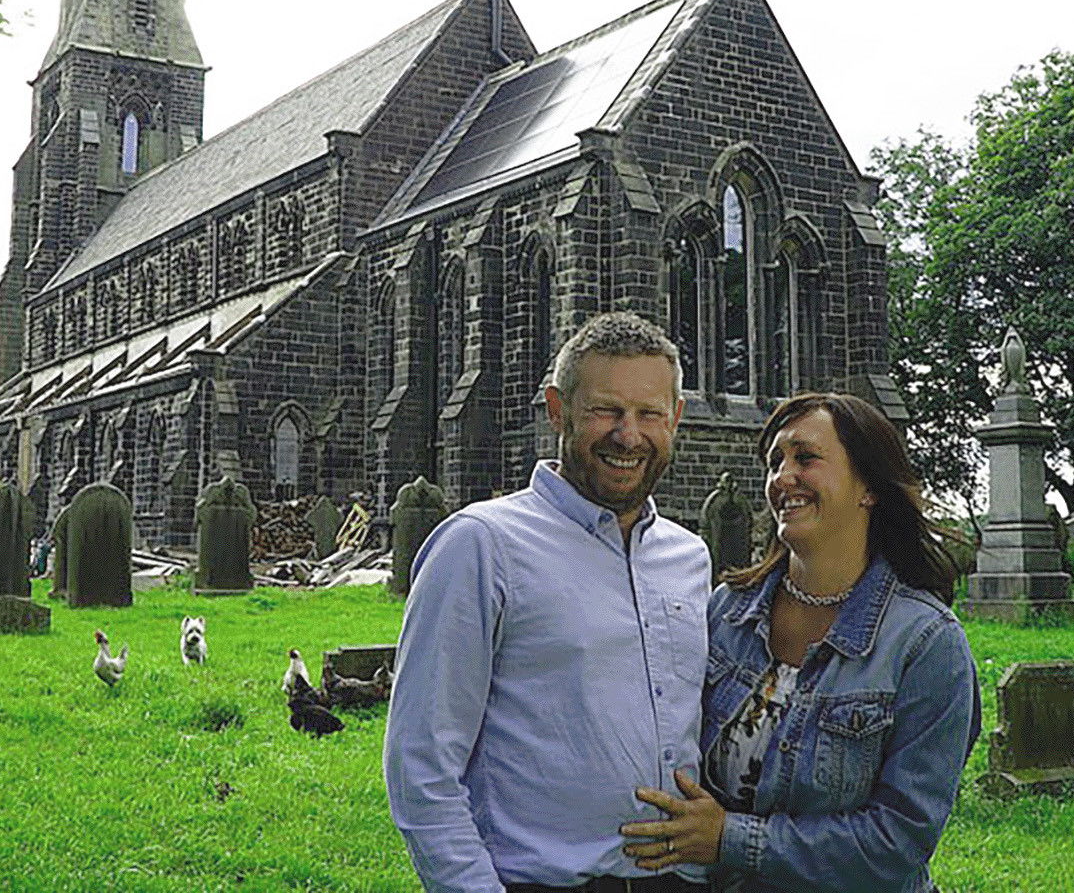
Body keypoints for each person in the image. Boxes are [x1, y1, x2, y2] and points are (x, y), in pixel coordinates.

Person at [384, 312, 713, 893]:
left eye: (649, 415)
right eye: (606, 411)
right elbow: (422, 764)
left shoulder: (689, 558)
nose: (629, 435)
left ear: (676, 418)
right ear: (558, 410)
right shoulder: (481, 545)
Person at [619, 393, 979, 892]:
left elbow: (899, 840)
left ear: (869, 487)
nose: (782, 477)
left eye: (805, 458)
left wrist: (730, 838)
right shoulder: (727, 613)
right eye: (775, 462)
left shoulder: (924, 644)